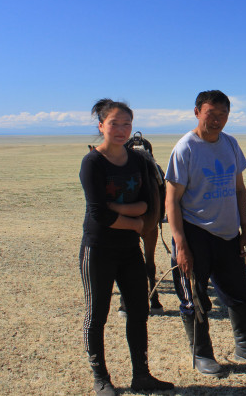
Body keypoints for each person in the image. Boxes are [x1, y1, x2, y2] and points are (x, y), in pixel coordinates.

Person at [166, 90, 246, 376]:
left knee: (240, 293)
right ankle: (201, 354)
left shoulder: (230, 144)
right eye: (210, 114)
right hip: (195, 233)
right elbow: (172, 200)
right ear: (197, 112)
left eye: (222, 114)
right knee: (195, 296)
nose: (216, 120)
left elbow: (239, 188)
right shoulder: (185, 148)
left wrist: (245, 230)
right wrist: (180, 244)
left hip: (228, 233)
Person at [79, 99, 174, 395]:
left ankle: (141, 375)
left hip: (129, 251)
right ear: (101, 126)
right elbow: (99, 215)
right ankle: (101, 378)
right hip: (99, 249)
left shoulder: (138, 161)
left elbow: (148, 204)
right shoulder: (92, 162)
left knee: (138, 311)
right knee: (97, 314)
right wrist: (134, 223)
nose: (121, 130)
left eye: (127, 124)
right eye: (114, 124)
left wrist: (120, 210)